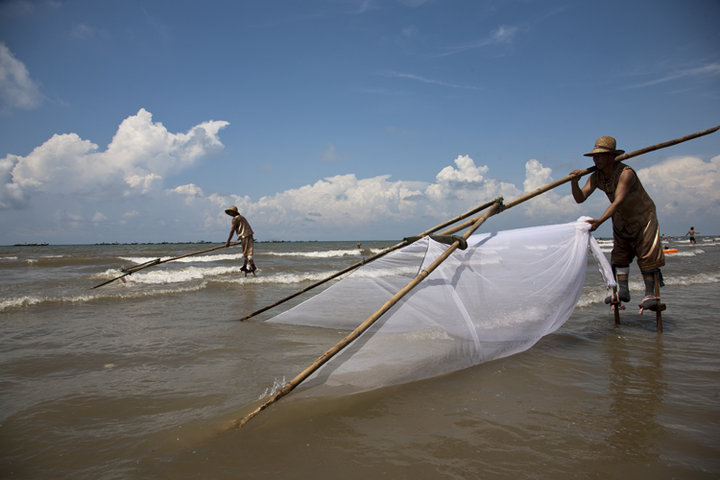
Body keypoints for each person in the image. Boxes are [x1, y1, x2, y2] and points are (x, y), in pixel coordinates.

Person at [570, 136, 664, 312]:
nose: (596, 160)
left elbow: (619, 200)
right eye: (594, 157)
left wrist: (600, 220)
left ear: (611, 156)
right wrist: (574, 183)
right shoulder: (596, 176)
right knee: (620, 254)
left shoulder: (626, 173)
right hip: (620, 217)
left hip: (642, 216)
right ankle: (623, 291)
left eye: (600, 156)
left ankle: (650, 294)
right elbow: (580, 197)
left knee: (646, 254)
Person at [225, 206, 257, 276]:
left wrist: (228, 241)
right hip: (249, 235)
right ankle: (245, 266)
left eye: (231, 212)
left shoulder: (235, 219)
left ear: (234, 212)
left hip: (245, 236)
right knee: (246, 252)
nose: (230, 213)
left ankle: (252, 266)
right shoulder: (242, 217)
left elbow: (232, 231)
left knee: (247, 253)